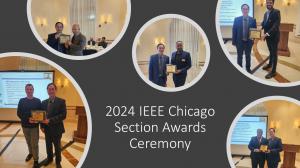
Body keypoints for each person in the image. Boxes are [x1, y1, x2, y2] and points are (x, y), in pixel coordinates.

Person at [41, 83, 67, 168]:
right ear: (47, 91)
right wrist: (41, 126)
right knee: (48, 146)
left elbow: (63, 115)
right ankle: (49, 159)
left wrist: (50, 120)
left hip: (57, 129)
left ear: (56, 90)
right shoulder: (43, 102)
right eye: (49, 89)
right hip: (47, 129)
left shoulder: (61, 101)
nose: (51, 90)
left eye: (52, 89)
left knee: (57, 147)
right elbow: (42, 116)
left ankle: (58, 162)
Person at [17, 84, 41, 168]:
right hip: (25, 126)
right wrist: (28, 119)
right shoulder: (21, 101)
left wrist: (37, 120)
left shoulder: (38, 101)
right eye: (27, 89)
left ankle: (36, 160)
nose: (29, 91)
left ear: (33, 90)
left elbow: (40, 114)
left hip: (34, 127)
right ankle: (31, 153)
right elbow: (19, 113)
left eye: (31, 89)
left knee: (34, 143)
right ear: (25, 90)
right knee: (28, 142)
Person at [232, 4, 257, 73]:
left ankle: (248, 68)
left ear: (248, 10)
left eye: (246, 9)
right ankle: (239, 68)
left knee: (248, 56)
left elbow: (254, 31)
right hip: (239, 41)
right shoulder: (237, 19)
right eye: (243, 9)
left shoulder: (253, 20)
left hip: (248, 42)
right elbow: (234, 31)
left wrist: (253, 40)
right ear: (241, 10)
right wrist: (234, 42)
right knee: (239, 56)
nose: (245, 10)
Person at [261, 0, 281, 79]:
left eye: (270, 3)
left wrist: (266, 34)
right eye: (267, 2)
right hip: (268, 37)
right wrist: (260, 27)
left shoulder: (276, 12)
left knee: (274, 53)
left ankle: (273, 71)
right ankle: (269, 64)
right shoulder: (266, 13)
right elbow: (264, 23)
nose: (269, 4)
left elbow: (276, 25)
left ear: (273, 3)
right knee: (270, 51)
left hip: (274, 37)